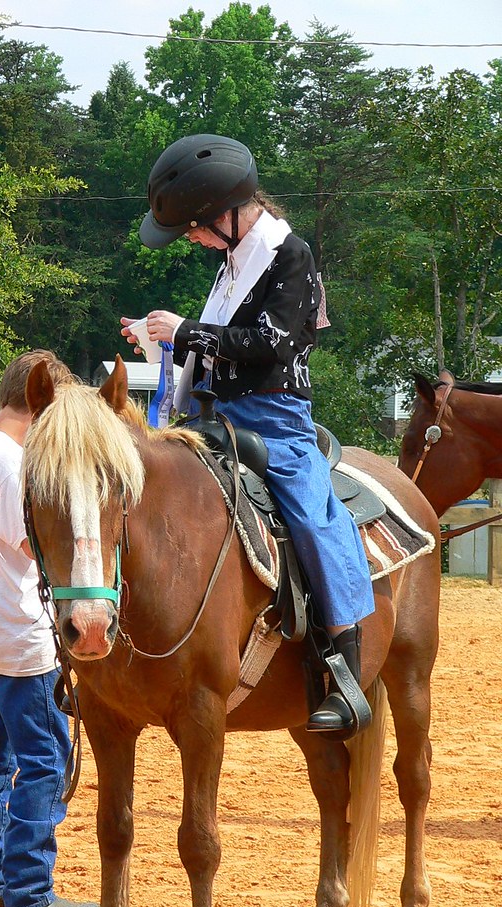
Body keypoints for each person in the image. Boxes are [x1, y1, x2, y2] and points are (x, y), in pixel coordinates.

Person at [121, 134, 376, 739]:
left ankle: (344, 660)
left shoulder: (291, 256)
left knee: (313, 514)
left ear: (227, 214)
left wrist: (185, 332)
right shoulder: (235, 260)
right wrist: (163, 341)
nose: (193, 239)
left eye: (195, 228)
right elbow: (216, 346)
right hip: (216, 416)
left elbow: (270, 346)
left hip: (275, 417)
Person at [0, 349, 99, 907]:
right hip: (19, 630)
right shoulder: (13, 462)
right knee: (45, 762)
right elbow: (29, 544)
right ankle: (31, 892)